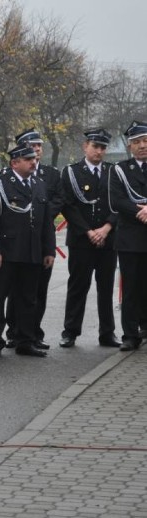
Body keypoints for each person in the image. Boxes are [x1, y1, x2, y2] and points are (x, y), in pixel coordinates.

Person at [0, 143, 55, 358]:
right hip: (7, 252)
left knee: (28, 299)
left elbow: (46, 222)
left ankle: (25, 340)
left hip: (32, 252)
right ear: (15, 162)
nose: (33, 162)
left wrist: (49, 250)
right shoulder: (0, 184)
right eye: (28, 159)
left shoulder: (39, 185)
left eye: (34, 158)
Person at [59, 128, 119, 349]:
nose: (99, 151)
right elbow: (68, 205)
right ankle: (70, 332)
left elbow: (119, 203)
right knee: (78, 286)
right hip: (81, 240)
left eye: (103, 148)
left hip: (108, 238)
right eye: (95, 146)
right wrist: (88, 231)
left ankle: (107, 333)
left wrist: (106, 228)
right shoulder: (71, 172)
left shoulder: (114, 172)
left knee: (106, 288)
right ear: (85, 146)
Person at [6, 128, 62, 350]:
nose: (37, 149)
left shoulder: (51, 174)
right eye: (31, 146)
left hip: (41, 237)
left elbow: (59, 199)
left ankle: (33, 332)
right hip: (19, 239)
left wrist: (42, 214)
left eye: (39, 145)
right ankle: (14, 331)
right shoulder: (9, 174)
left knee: (39, 289)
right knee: (16, 289)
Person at [109, 120, 147, 351]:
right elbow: (117, 201)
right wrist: (142, 212)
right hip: (131, 239)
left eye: (145, 141)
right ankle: (130, 335)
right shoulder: (120, 170)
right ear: (129, 146)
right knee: (131, 288)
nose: (142, 146)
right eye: (137, 142)